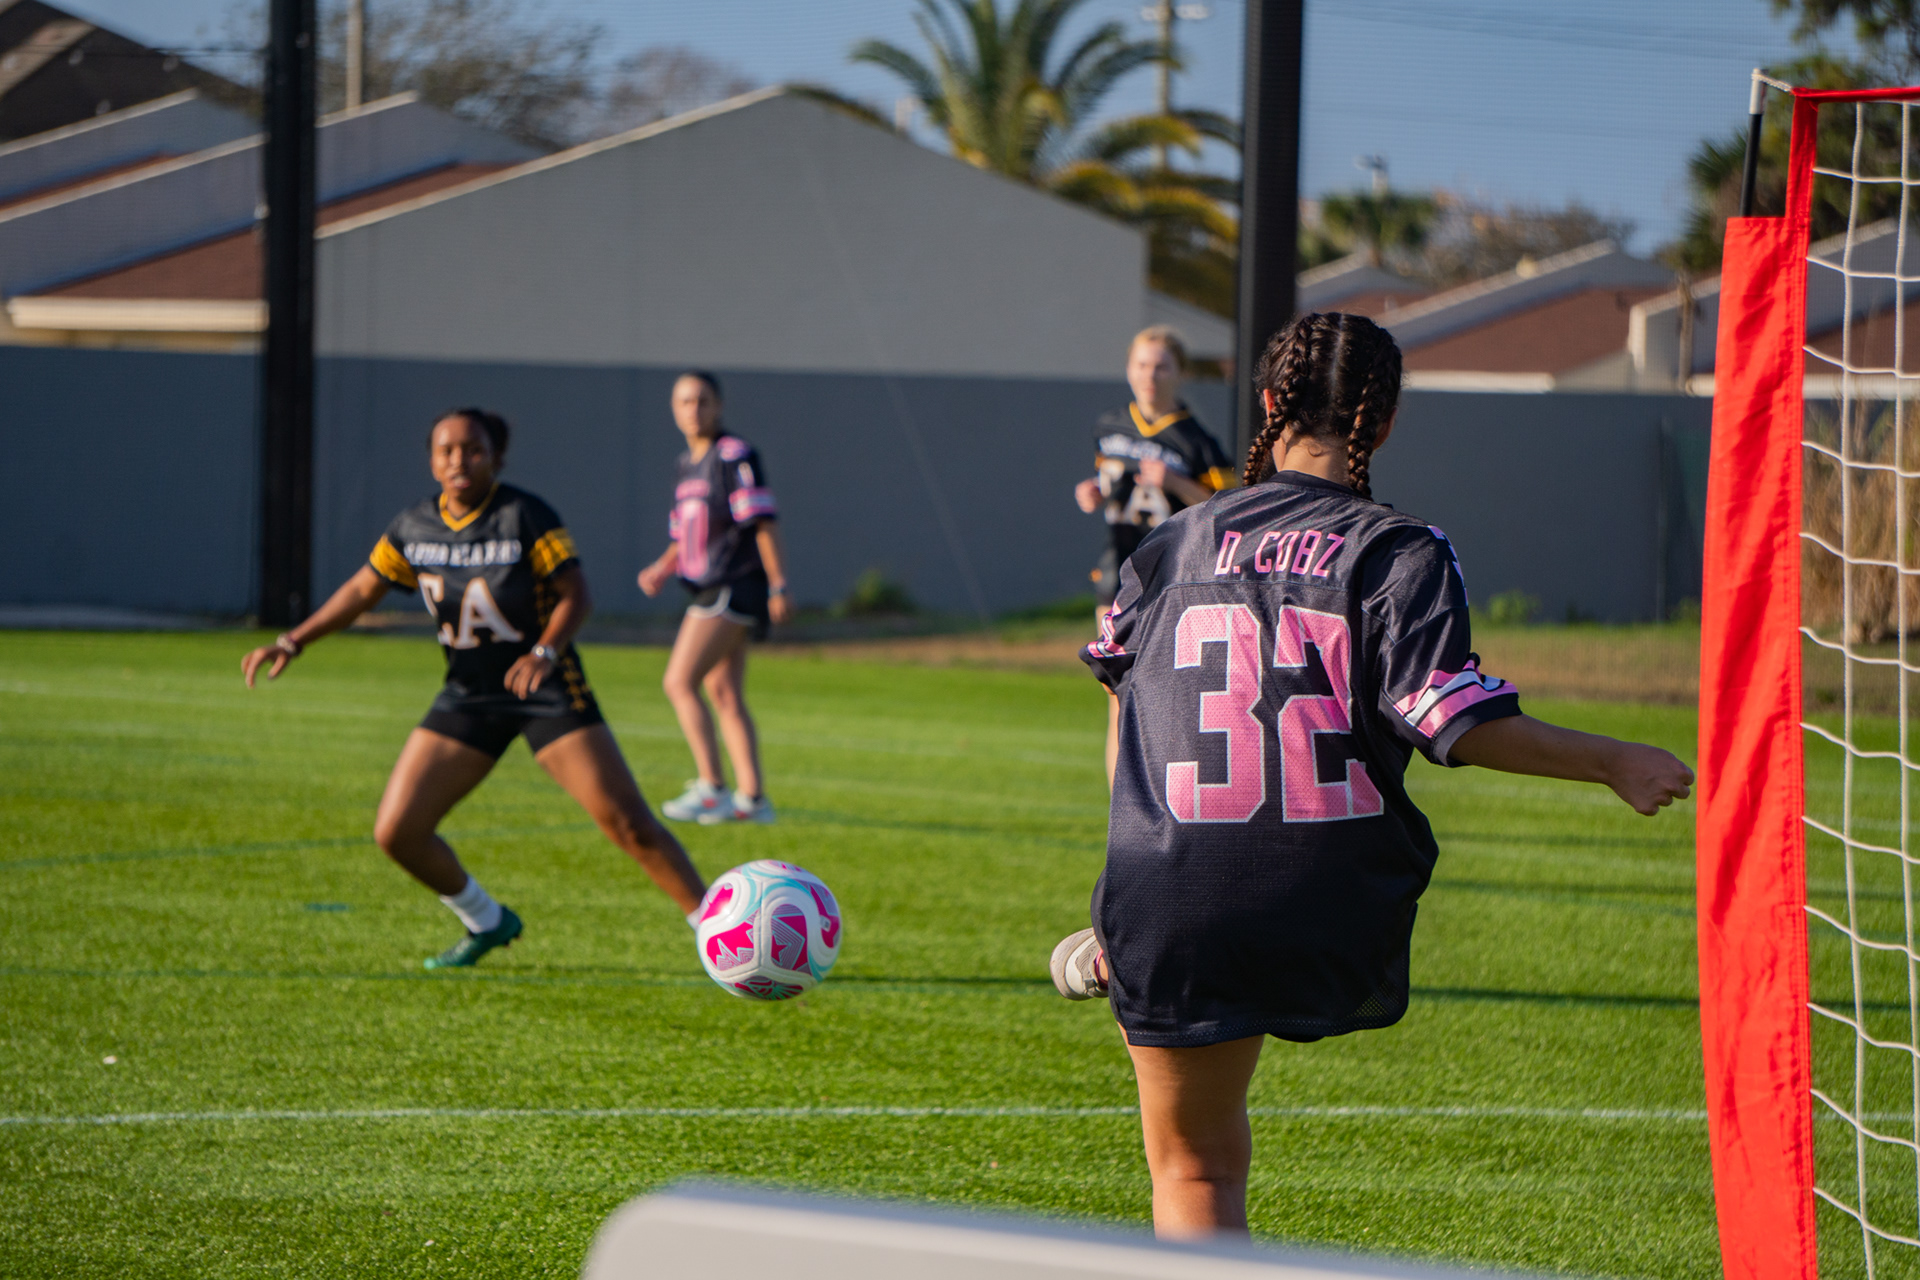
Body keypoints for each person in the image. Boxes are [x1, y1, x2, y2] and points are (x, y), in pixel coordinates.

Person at [1048, 313, 1695, 1239]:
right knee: (1255, 927)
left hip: (1176, 880)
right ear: (1382, 423)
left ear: (1268, 405)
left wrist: (1132, 876)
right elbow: (1454, 721)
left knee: (1196, 1170)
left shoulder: (1171, 545)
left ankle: (1128, 941)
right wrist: (1612, 759)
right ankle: (1138, 939)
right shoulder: (1399, 550)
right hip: (1331, 895)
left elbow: (1124, 694)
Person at [242, 408, 707, 969]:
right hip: (469, 694)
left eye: (473, 449)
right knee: (398, 831)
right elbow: (365, 589)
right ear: (432, 459)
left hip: (544, 690)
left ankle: (717, 933)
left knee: (627, 821)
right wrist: (293, 640)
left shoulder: (523, 515)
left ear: (497, 457)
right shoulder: (415, 526)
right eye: (446, 450)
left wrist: (544, 652)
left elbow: (576, 593)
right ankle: (486, 920)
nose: (459, 460)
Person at [638, 371, 791, 825]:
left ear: (718, 405)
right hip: (706, 585)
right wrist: (662, 567)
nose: (693, 409)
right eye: (684, 401)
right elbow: (685, 534)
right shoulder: (686, 463)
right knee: (723, 691)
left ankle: (712, 788)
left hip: (734, 585)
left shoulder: (734, 455)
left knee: (678, 681)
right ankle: (753, 800)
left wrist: (779, 583)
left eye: (702, 401)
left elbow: (762, 522)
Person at [1073, 325, 1236, 629]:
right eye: (1142, 365)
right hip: (1118, 561)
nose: (1149, 376)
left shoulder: (1197, 441)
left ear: (1181, 373)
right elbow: (1107, 479)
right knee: (1111, 668)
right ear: (1128, 369)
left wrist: (1176, 483)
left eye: (1161, 367)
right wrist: (1094, 491)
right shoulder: (1109, 425)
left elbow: (1227, 508)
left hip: (1172, 566)